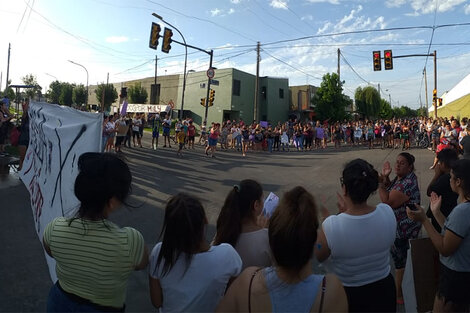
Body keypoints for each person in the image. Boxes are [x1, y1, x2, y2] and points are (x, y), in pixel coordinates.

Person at [43, 152, 148, 312]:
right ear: (112, 202)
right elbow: (141, 264)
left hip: (59, 301)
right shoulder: (130, 240)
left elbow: (51, 251)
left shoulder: (55, 228)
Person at [216, 186, 348, 313]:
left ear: (272, 240)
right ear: (313, 240)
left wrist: (263, 231)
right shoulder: (330, 290)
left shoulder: (248, 281)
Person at [315, 159, 396, 312]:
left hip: (348, 293)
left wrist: (328, 219)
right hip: (383, 289)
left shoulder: (332, 225)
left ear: (344, 188)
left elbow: (319, 254)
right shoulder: (386, 212)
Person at [149, 193, 242, 312]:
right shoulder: (227, 255)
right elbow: (233, 294)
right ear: (206, 220)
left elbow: (157, 302)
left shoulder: (159, 252)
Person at [407, 159, 470, 312]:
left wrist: (424, 220)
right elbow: (453, 234)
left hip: (456, 276)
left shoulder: (462, 211)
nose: (449, 180)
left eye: (451, 177)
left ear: (458, 182)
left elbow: (445, 248)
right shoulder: (463, 207)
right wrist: (436, 213)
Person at [378, 152, 421, 304]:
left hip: (404, 229)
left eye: (402, 163)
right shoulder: (402, 178)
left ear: (410, 167)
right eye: (397, 162)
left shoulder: (407, 182)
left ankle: (399, 294)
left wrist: (380, 184)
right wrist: (386, 178)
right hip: (402, 226)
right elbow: (392, 187)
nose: (397, 165)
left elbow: (388, 201)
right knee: (403, 261)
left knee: (400, 263)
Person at [213, 180, 271, 270]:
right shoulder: (267, 238)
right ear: (256, 205)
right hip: (256, 283)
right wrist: (264, 230)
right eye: (262, 199)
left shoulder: (223, 232)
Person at [425, 148, 459, 232]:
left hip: (441, 214)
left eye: (439, 162)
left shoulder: (445, 178)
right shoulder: (457, 174)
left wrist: (436, 175)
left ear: (443, 164)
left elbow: (429, 191)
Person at [17, 100, 30, 170]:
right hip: (23, 139)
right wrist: (28, 103)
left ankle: (22, 170)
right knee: (23, 157)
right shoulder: (24, 118)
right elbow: (25, 112)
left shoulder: (33, 120)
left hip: (29, 139)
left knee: (25, 157)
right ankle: (21, 170)